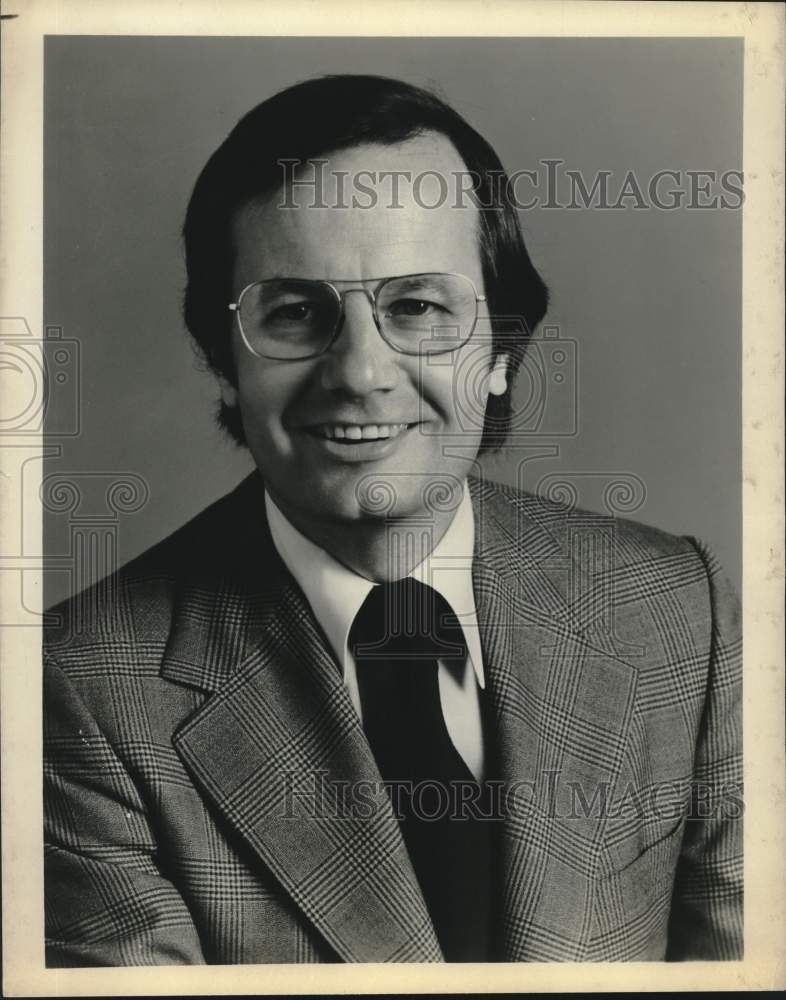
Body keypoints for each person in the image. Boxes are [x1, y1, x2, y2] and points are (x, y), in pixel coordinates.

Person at [43, 74, 743, 965]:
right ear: (223, 360)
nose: (360, 373)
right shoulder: (80, 691)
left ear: (502, 350)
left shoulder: (679, 610)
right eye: (296, 314)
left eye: (417, 307)